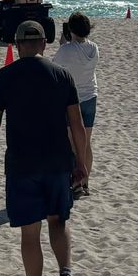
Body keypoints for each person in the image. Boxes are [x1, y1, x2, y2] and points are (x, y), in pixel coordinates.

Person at [0, 20, 91, 276]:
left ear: (16, 46)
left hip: (22, 165)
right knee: (59, 220)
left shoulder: (5, 76)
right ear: (45, 43)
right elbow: (77, 125)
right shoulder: (61, 75)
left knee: (30, 234)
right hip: (57, 162)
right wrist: (81, 162)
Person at [53, 12, 99, 199]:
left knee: (73, 143)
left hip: (72, 100)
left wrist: (64, 44)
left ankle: (77, 182)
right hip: (90, 96)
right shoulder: (94, 48)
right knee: (86, 142)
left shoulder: (66, 50)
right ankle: (85, 181)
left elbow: (57, 66)